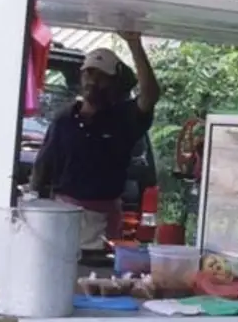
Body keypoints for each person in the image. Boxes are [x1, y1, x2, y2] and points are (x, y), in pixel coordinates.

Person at [29, 31, 160, 249]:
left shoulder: (123, 117)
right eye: (87, 74)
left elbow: (150, 95)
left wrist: (134, 43)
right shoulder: (64, 119)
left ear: (114, 82)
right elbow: (43, 165)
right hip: (62, 217)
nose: (92, 81)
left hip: (103, 224)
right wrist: (33, 205)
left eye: (100, 76)